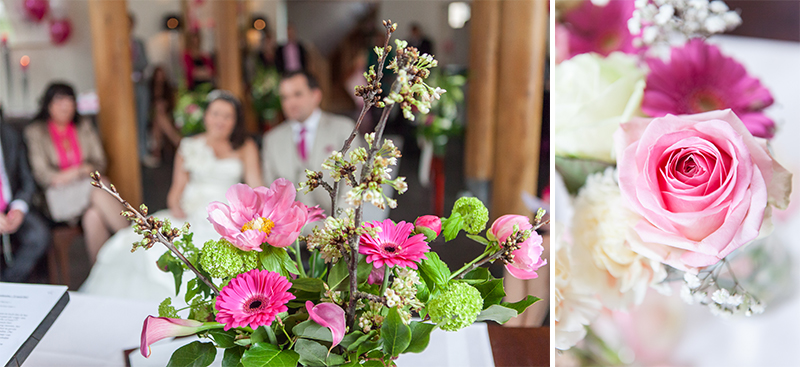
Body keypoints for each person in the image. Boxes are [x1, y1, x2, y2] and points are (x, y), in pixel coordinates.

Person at [80, 91, 262, 301]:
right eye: (215, 114)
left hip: (230, 214)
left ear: (235, 120)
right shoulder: (188, 145)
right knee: (151, 245)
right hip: (190, 211)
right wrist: (178, 208)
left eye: (227, 116)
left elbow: (255, 186)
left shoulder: (246, 147)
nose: (220, 121)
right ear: (206, 116)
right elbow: (176, 191)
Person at [24, 82, 127, 264]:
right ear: (48, 105)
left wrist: (71, 175)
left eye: (70, 100)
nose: (65, 105)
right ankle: (134, 239)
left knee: (93, 216)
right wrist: (80, 171)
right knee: (98, 186)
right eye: (59, 100)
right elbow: (44, 176)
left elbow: (100, 162)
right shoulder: (36, 132)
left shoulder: (83, 126)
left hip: (86, 192)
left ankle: (103, 274)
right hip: (56, 198)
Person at [262, 71, 360, 214]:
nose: (290, 103)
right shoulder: (271, 139)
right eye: (285, 97)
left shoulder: (343, 129)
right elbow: (270, 191)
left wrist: (337, 227)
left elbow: (353, 183)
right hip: (291, 231)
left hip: (336, 226)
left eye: (297, 94)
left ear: (316, 95)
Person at [0, 107, 51, 282]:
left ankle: (8, 283)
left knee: (39, 235)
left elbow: (27, 180)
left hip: (11, 205)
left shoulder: (11, 136)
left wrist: (19, 208)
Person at [129, 13, 153, 167]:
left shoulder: (139, 43)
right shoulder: (115, 43)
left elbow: (145, 63)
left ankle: (143, 153)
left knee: (142, 120)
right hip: (123, 90)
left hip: (140, 86)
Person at [147, 65, 181, 165]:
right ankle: (177, 140)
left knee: (158, 121)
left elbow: (172, 105)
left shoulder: (168, 89)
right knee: (158, 118)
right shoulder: (150, 89)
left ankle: (156, 152)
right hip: (151, 116)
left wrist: (164, 105)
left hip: (165, 116)